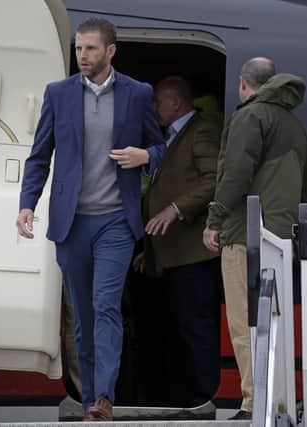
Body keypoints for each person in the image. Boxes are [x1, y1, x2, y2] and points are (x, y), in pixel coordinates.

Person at [16, 17, 166, 421]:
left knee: (105, 307)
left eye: (91, 49)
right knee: (81, 316)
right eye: (79, 49)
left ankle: (104, 397)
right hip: (72, 223)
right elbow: (39, 154)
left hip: (116, 221)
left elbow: (160, 145)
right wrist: (27, 202)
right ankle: (88, 404)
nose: (82, 56)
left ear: (110, 51)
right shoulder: (59, 93)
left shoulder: (137, 94)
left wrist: (146, 156)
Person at [203, 57, 307, 420]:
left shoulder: (249, 117)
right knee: (276, 323)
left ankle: (254, 403)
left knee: (245, 323)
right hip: (282, 242)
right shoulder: (297, 128)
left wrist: (215, 219)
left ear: (242, 83)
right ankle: (279, 397)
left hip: (245, 238)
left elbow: (236, 172)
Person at [133, 76, 221, 407]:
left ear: (176, 103)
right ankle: (183, 397)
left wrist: (175, 209)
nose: (153, 109)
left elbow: (216, 178)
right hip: (169, 256)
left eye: (157, 102)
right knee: (177, 331)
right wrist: (149, 250)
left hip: (192, 256)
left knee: (195, 330)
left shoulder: (202, 131)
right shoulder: (169, 137)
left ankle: (205, 398)